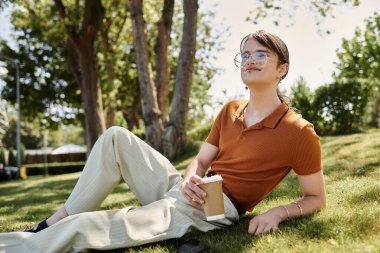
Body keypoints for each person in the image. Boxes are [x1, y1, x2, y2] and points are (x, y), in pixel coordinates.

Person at [0, 30, 326, 252]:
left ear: (282, 69)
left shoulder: (299, 132)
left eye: (261, 55)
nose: (250, 60)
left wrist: (277, 213)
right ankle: (55, 220)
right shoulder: (230, 110)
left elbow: (315, 197)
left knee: (90, 227)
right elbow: (201, 160)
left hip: (217, 206)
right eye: (245, 55)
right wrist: (188, 179)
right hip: (191, 188)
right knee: (116, 137)